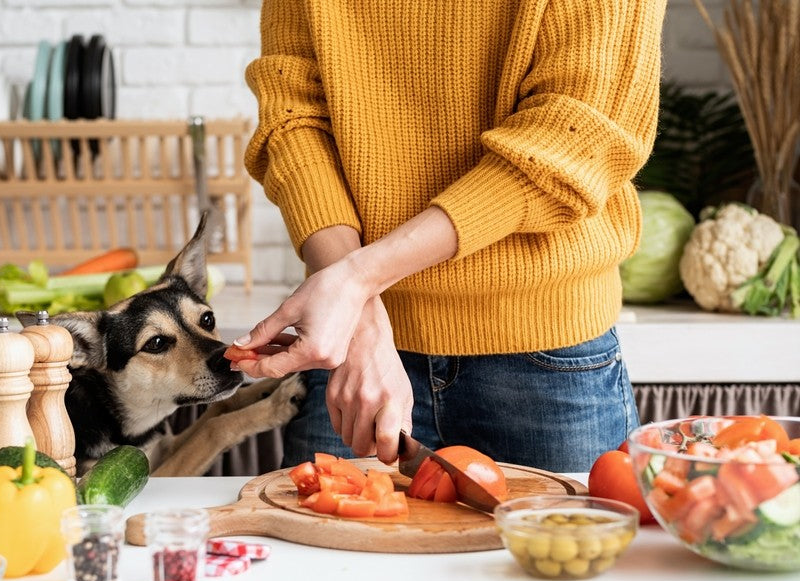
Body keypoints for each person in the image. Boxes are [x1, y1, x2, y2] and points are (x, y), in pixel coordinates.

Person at [234, 0, 664, 473]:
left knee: (557, 548)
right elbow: (292, 117)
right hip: (355, 350)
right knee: (322, 545)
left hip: (545, 358)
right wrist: (360, 320)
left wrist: (356, 283)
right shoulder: (357, 324)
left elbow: (573, 135)